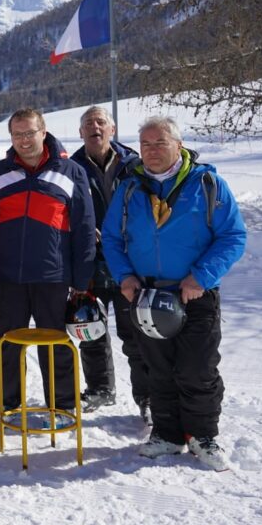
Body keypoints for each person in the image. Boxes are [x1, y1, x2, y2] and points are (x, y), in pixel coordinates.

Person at [102, 116, 246, 471]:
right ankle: (167, 433)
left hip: (195, 295)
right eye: (145, 144)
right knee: (158, 369)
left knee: (197, 369)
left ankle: (202, 435)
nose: (150, 151)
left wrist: (201, 277)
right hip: (147, 296)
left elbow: (233, 237)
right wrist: (124, 277)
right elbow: (112, 238)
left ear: (178, 146)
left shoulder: (208, 183)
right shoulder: (130, 188)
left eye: (159, 143)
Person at [0, 108, 97, 424]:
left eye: (30, 133)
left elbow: (85, 227)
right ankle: (7, 405)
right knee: (7, 345)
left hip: (53, 277)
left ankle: (63, 406)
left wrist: (82, 278)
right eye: (18, 134)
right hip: (9, 277)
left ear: (44, 131)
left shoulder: (71, 171)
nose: (24, 140)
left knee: (56, 346)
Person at [70, 105, 149, 420]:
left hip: (129, 265)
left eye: (101, 122)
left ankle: (147, 398)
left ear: (112, 130)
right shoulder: (71, 167)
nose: (95, 127)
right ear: (80, 133)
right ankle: (100, 390)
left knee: (137, 335)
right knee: (90, 330)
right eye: (88, 123)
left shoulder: (135, 164)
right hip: (88, 265)